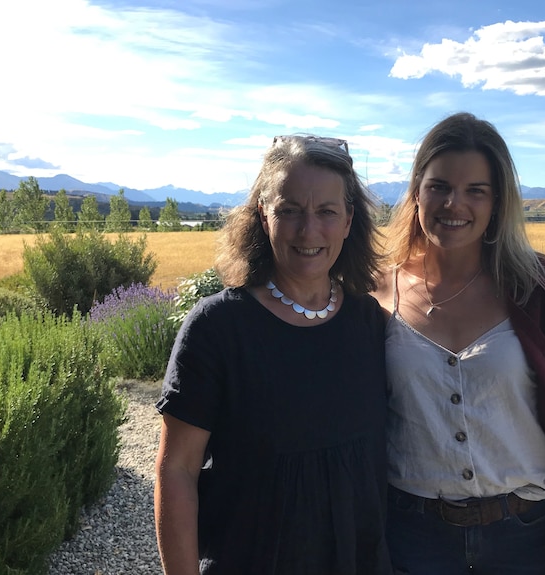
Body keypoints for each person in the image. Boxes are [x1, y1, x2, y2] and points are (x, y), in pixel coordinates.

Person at [373, 113, 545, 575]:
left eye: (476, 189)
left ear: (498, 203)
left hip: (529, 537)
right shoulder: (372, 297)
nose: (455, 203)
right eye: (439, 186)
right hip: (413, 540)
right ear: (416, 192)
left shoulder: (544, 294)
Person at [154, 135, 392, 574]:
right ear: (263, 216)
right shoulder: (217, 329)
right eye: (289, 211)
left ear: (348, 220)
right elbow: (178, 471)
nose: (309, 231)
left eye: (326, 212)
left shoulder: (370, 324)